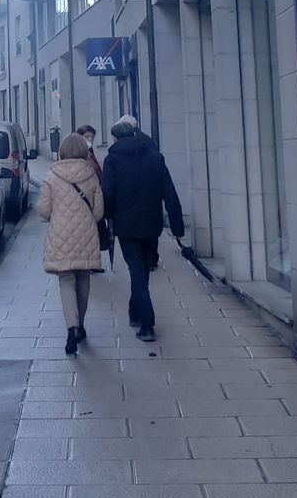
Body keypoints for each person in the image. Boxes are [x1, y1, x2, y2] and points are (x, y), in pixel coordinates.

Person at [101, 115, 185, 343]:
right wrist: (177, 227)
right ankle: (135, 311)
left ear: (115, 138)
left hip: (126, 226)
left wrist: (107, 216)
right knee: (143, 270)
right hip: (151, 224)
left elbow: (107, 194)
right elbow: (170, 192)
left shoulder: (112, 160)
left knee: (137, 272)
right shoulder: (155, 157)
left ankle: (146, 324)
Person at [36, 132, 104, 356]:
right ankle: (81, 325)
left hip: (61, 235)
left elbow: (44, 210)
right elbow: (99, 212)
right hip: (86, 234)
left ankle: (71, 327)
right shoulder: (91, 175)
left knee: (66, 281)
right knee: (83, 279)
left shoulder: (52, 176)